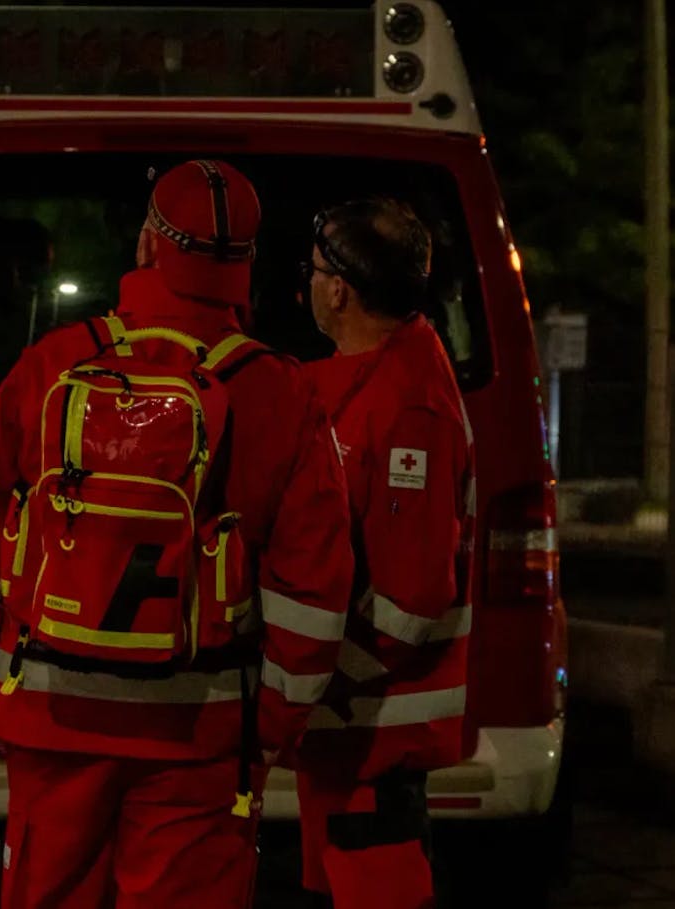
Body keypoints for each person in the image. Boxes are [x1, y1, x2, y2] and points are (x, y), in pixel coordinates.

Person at [0, 159, 354, 909]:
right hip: (201, 734)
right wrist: (270, 726)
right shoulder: (279, 391)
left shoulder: (54, 364)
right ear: (245, 264)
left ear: (150, 247)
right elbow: (313, 592)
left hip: (52, 721)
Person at [291, 197, 477, 909]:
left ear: (339, 288)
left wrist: (315, 674)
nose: (305, 285)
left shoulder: (411, 407)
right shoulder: (373, 380)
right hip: (346, 732)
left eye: (311, 271)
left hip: (376, 734)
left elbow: (412, 600)